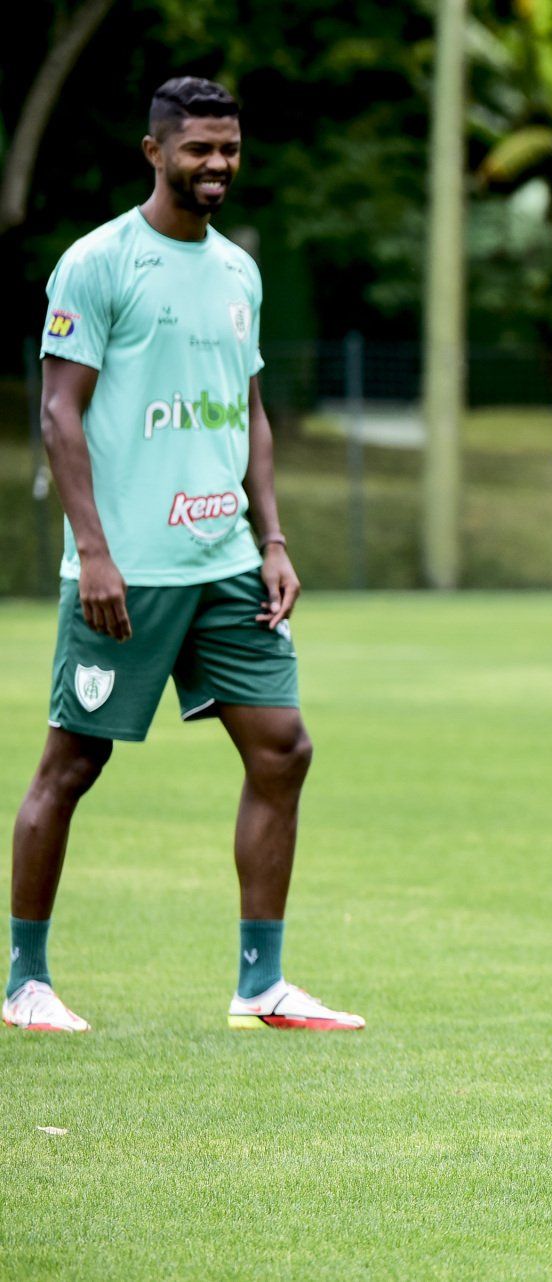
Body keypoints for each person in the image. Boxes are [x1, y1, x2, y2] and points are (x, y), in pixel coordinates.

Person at [5, 78, 362, 1034]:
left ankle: (261, 986)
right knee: (71, 767)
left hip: (226, 563)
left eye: (229, 150)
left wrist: (272, 538)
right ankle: (23, 983)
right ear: (154, 152)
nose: (217, 165)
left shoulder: (239, 272)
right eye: (199, 148)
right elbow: (58, 412)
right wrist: (96, 550)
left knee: (283, 749)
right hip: (129, 567)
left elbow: (247, 415)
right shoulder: (98, 263)